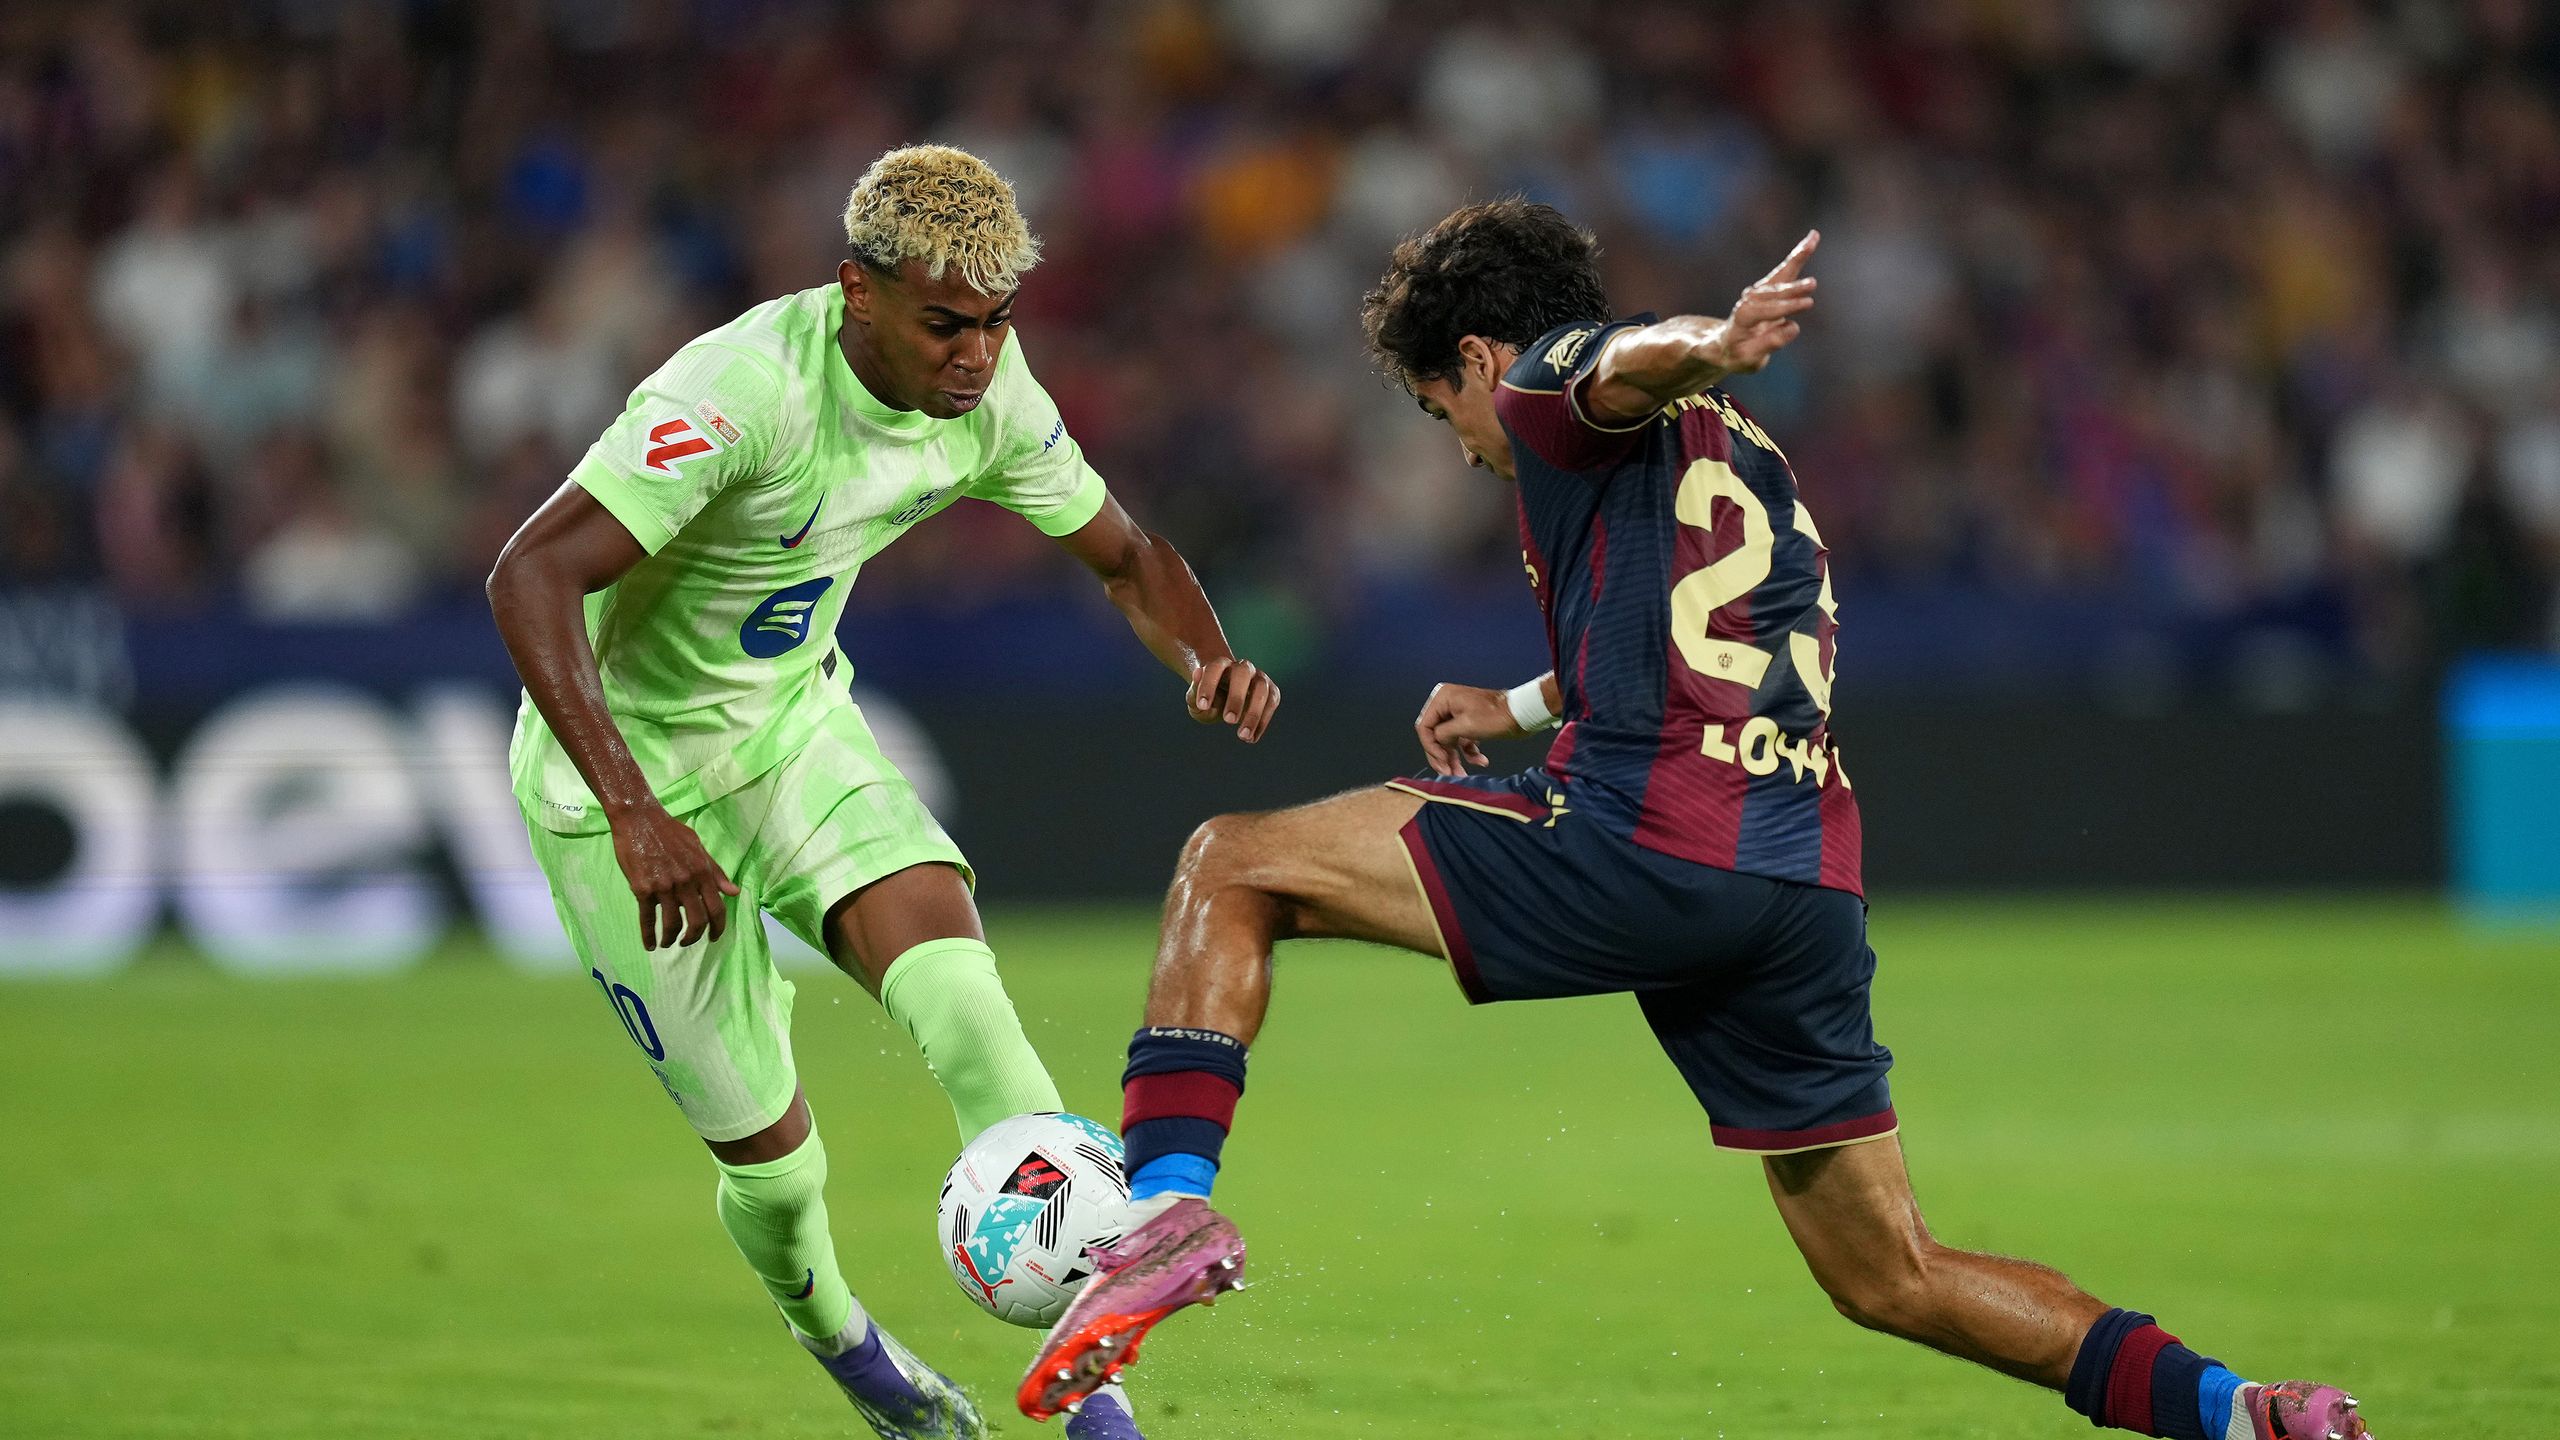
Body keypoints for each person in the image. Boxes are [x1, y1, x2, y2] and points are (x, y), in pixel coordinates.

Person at [1018, 201, 2369, 1440]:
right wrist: (1524, 696)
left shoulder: (1550, 378)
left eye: (1447, 414)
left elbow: (1617, 363)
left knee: (1231, 865)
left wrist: (1709, 336)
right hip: (1800, 888)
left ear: (1482, 359)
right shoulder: (1743, 458)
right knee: (1890, 1274)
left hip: (1647, 837)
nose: (1474, 448)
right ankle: (2246, 1414)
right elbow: (1710, 621)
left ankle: (1161, 1213)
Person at [487, 144, 1278, 1440]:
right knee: (776, 1167)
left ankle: (1102, 1415)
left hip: (796, 736)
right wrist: (635, 812)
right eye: (946, 325)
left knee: (967, 1001)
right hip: (618, 785)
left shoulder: (992, 394)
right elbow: (530, 573)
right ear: (857, 290)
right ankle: (848, 1349)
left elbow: (1127, 557)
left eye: (996, 325)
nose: (975, 356)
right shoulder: (737, 394)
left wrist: (1208, 658)